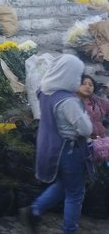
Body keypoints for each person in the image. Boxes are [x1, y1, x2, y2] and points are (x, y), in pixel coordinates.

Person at [20, 54, 93, 234]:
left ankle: (34, 209)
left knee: (64, 185)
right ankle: (69, 230)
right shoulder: (68, 101)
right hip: (69, 150)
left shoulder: (46, 91)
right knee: (75, 194)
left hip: (52, 148)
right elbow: (85, 130)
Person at [77, 74, 109, 164]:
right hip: (83, 144)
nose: (88, 86)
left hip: (101, 141)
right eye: (84, 84)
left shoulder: (98, 101)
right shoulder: (72, 103)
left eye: (91, 85)